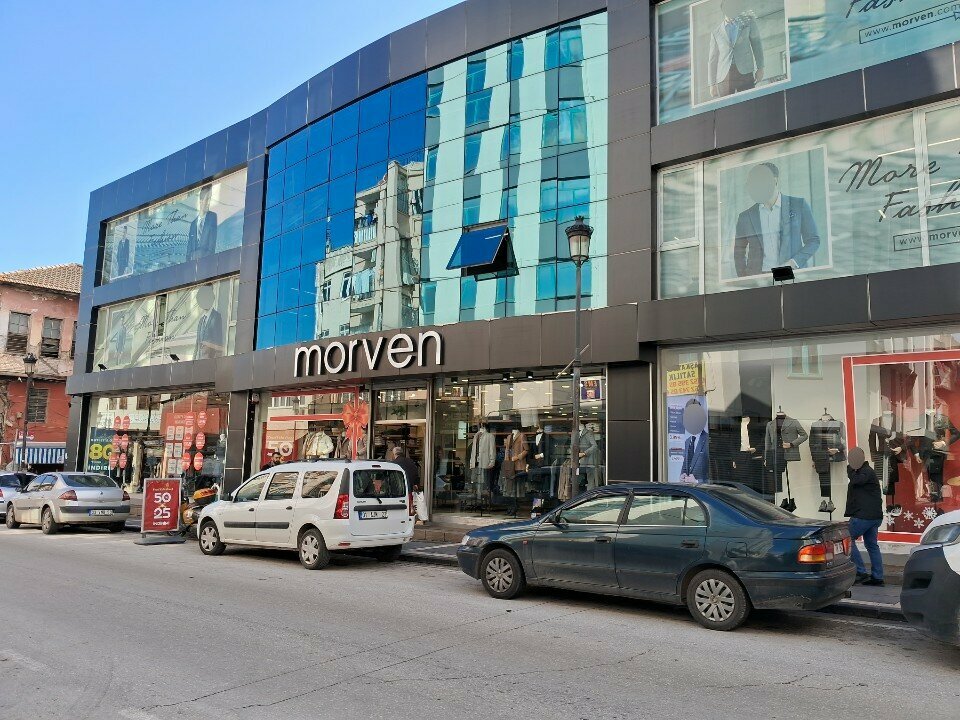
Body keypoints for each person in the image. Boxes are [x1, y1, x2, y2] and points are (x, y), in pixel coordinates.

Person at [733, 162, 821, 278]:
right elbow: (738, 252)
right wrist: (744, 279)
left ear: (775, 181)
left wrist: (793, 263)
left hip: (791, 273)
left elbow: (813, 240)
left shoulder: (798, 205)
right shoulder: (745, 216)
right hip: (759, 278)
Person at [707, 0, 764, 99]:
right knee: (728, 107)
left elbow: (757, 44)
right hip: (724, 77)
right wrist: (712, 84)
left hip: (745, 72)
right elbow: (712, 59)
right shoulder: (716, 33)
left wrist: (760, 68)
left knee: (749, 103)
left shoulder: (748, 21)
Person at [844, 446, 885, 586]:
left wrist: (850, 469)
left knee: (847, 539)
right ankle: (877, 577)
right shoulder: (865, 471)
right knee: (872, 545)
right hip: (873, 516)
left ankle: (860, 572)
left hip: (864, 516)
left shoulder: (866, 471)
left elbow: (856, 481)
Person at [186, 185, 218, 261]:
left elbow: (211, 248)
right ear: (201, 201)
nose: (209, 203)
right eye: (207, 199)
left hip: (206, 262)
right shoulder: (193, 224)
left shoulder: (212, 217)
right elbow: (188, 252)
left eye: (210, 199)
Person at [194, 284, 225, 360]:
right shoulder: (201, 320)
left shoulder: (216, 317)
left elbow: (219, 344)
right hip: (200, 361)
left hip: (210, 361)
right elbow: (197, 344)